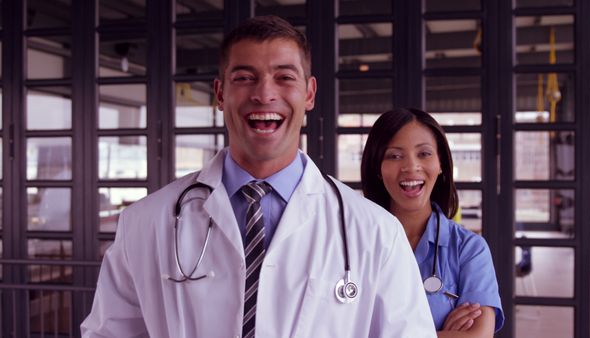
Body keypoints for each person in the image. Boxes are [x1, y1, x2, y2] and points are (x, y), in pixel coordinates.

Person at [81, 16, 437, 337]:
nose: (264, 93)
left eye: (284, 77)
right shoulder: (144, 223)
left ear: (309, 93)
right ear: (220, 94)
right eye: (244, 77)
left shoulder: (375, 231)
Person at [361, 108, 504, 337]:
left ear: (440, 166)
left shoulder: (469, 249)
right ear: (378, 168)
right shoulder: (354, 244)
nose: (410, 167)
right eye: (395, 156)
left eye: (424, 154)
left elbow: (477, 335)